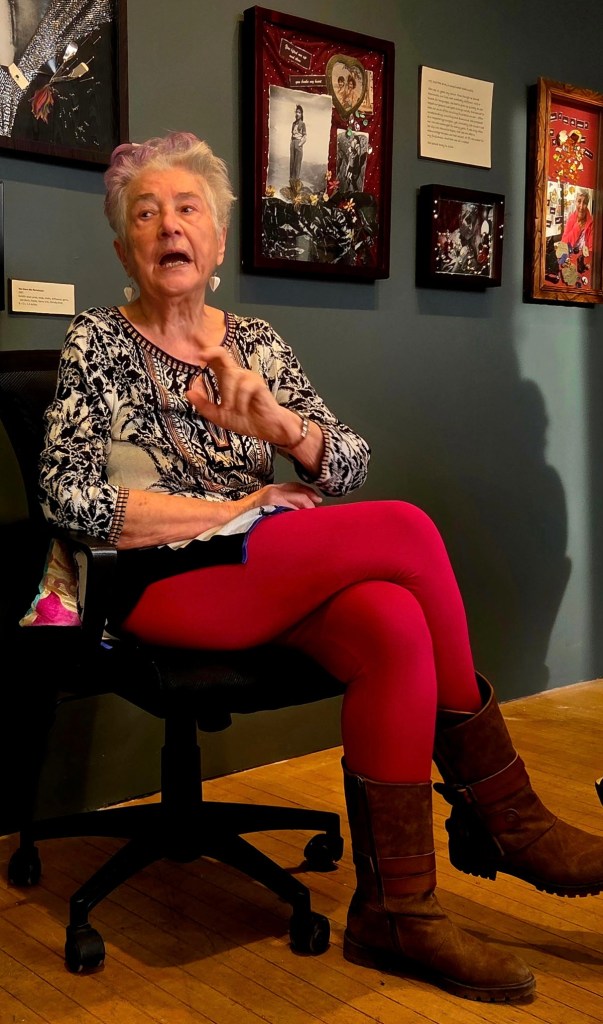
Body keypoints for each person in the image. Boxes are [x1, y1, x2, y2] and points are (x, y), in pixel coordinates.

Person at [38, 131, 603, 1004]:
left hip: (256, 568)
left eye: (187, 209)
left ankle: (396, 912)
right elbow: (68, 499)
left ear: (218, 241)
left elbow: (344, 465)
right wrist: (229, 509)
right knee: (408, 532)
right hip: (154, 582)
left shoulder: (256, 342)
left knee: (390, 619)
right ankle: (507, 817)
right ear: (123, 247)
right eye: (144, 214)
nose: (168, 226)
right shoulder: (95, 345)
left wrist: (278, 430)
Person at [562, 188, 593, 258]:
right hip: (570, 262)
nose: (581, 207)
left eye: (584, 203)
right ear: (575, 202)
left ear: (587, 204)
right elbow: (563, 246)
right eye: (579, 201)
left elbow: (591, 251)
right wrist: (577, 228)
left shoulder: (591, 224)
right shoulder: (571, 219)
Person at [289, 104, 306, 181]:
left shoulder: (302, 124)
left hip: (299, 143)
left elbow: (305, 136)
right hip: (293, 142)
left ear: (301, 114)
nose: (297, 114)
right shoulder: (293, 123)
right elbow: (292, 134)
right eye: (296, 112)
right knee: (292, 162)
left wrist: (299, 144)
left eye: (299, 112)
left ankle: (296, 182)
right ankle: (291, 182)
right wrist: (291, 143)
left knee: (297, 164)